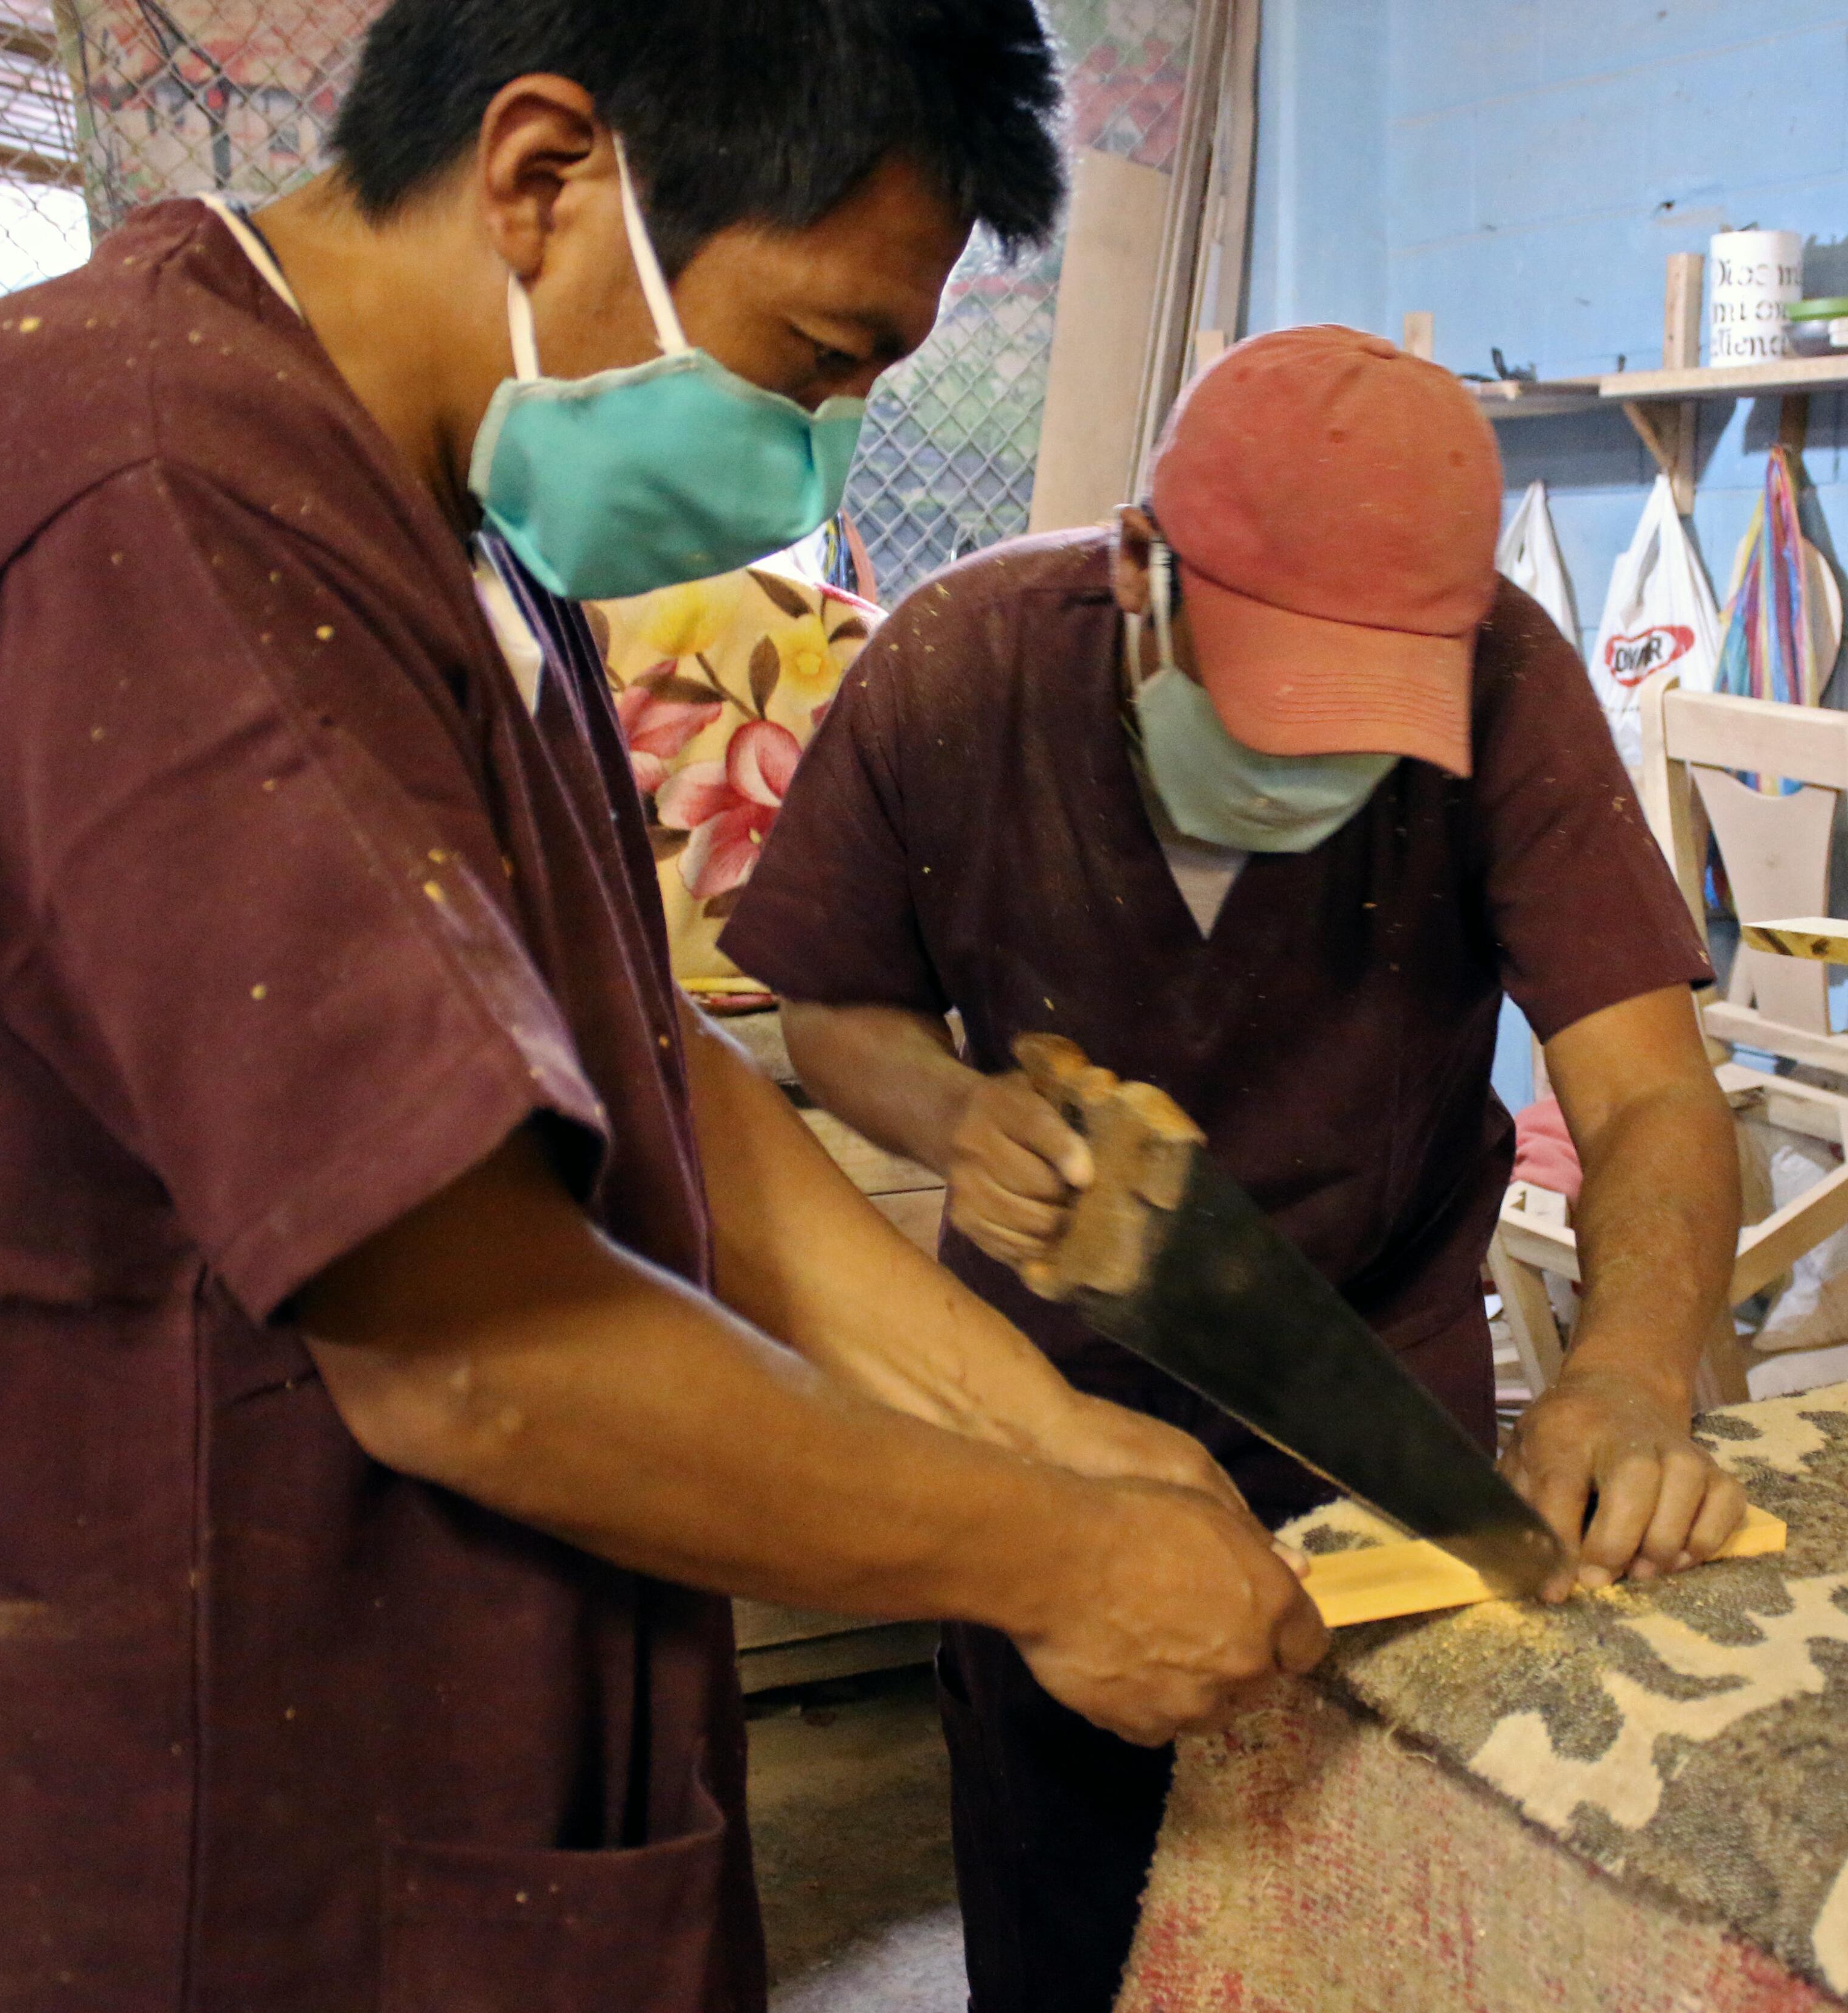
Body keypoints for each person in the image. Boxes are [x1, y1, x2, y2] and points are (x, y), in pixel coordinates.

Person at [0, 5, 1323, 2008]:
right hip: (198, 1844)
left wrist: (1047, 1430)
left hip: (441, 1747)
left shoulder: (439, 512)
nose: (808, 452)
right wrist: (1052, 1559)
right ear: (545, 174)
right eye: (816, 359)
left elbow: (649, 1075)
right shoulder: (137, 492)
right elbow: (473, 1352)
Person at [719, 325, 1753, 2013]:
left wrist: (1633, 1374)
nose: (1302, 773)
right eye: (1267, 712)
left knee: (1372, 1919)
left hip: (1375, 1403)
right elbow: (837, 1015)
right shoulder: (959, 664)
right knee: (1077, 1921)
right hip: (1033, 1410)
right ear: (1142, 568)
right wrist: (955, 1119)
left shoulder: (1507, 675)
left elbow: (1646, 1093)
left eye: (1359, 733)